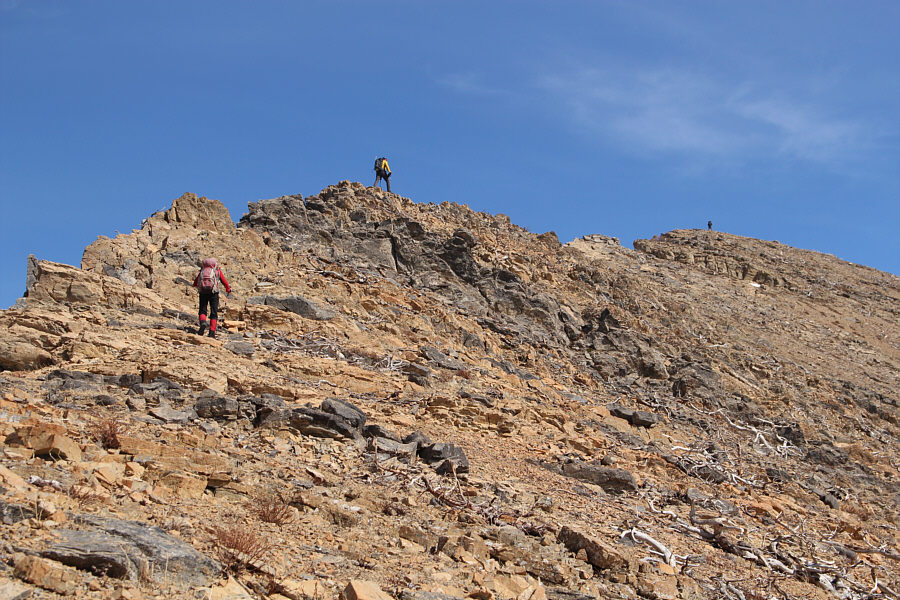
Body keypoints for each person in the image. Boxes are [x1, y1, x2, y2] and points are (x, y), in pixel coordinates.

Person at [192, 258, 231, 338]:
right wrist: (228, 289)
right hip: (214, 293)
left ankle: (203, 322)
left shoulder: (202, 272)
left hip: (203, 292)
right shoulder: (217, 271)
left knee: (202, 309)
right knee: (214, 312)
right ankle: (212, 332)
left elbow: (195, 283)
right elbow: (224, 282)